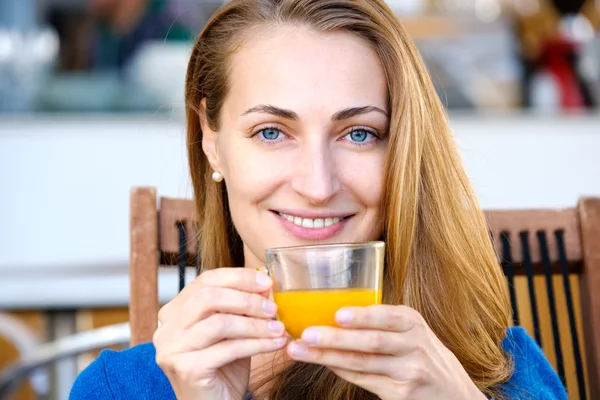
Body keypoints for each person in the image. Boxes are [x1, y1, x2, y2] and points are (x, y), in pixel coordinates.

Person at [70, 0, 567, 399]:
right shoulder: (118, 390)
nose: (318, 186)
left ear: (403, 152)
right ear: (211, 141)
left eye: (359, 134)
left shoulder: (503, 374)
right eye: (270, 132)